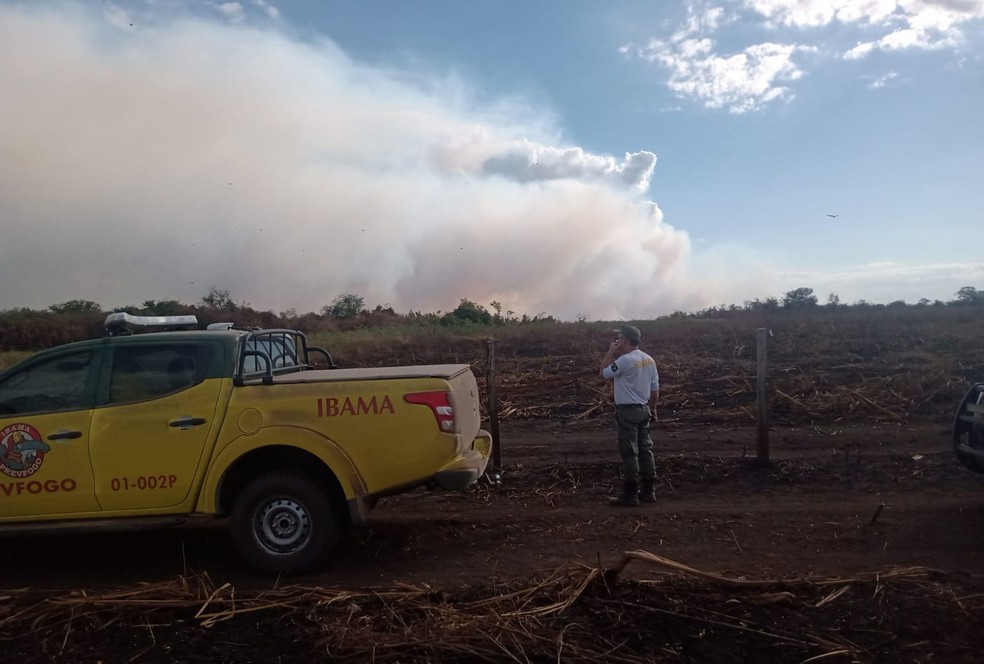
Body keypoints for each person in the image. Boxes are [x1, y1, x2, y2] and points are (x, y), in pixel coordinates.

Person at [600, 324, 659, 506]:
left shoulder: (624, 361)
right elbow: (655, 388)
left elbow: (603, 374)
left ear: (625, 340)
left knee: (630, 452)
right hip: (644, 410)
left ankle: (630, 494)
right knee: (645, 450)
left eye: (619, 338)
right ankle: (648, 491)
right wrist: (653, 409)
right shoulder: (649, 360)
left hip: (628, 412)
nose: (616, 341)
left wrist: (610, 352)